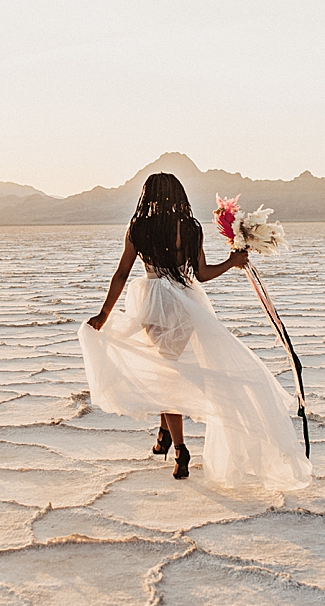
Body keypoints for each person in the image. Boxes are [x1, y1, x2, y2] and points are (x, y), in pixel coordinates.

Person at [79, 172, 311, 490]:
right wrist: (232, 262)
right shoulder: (190, 228)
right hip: (185, 303)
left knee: (167, 374)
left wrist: (104, 314)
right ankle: (164, 434)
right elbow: (201, 274)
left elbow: (121, 274)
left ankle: (180, 449)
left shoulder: (138, 228)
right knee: (168, 368)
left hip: (152, 302)